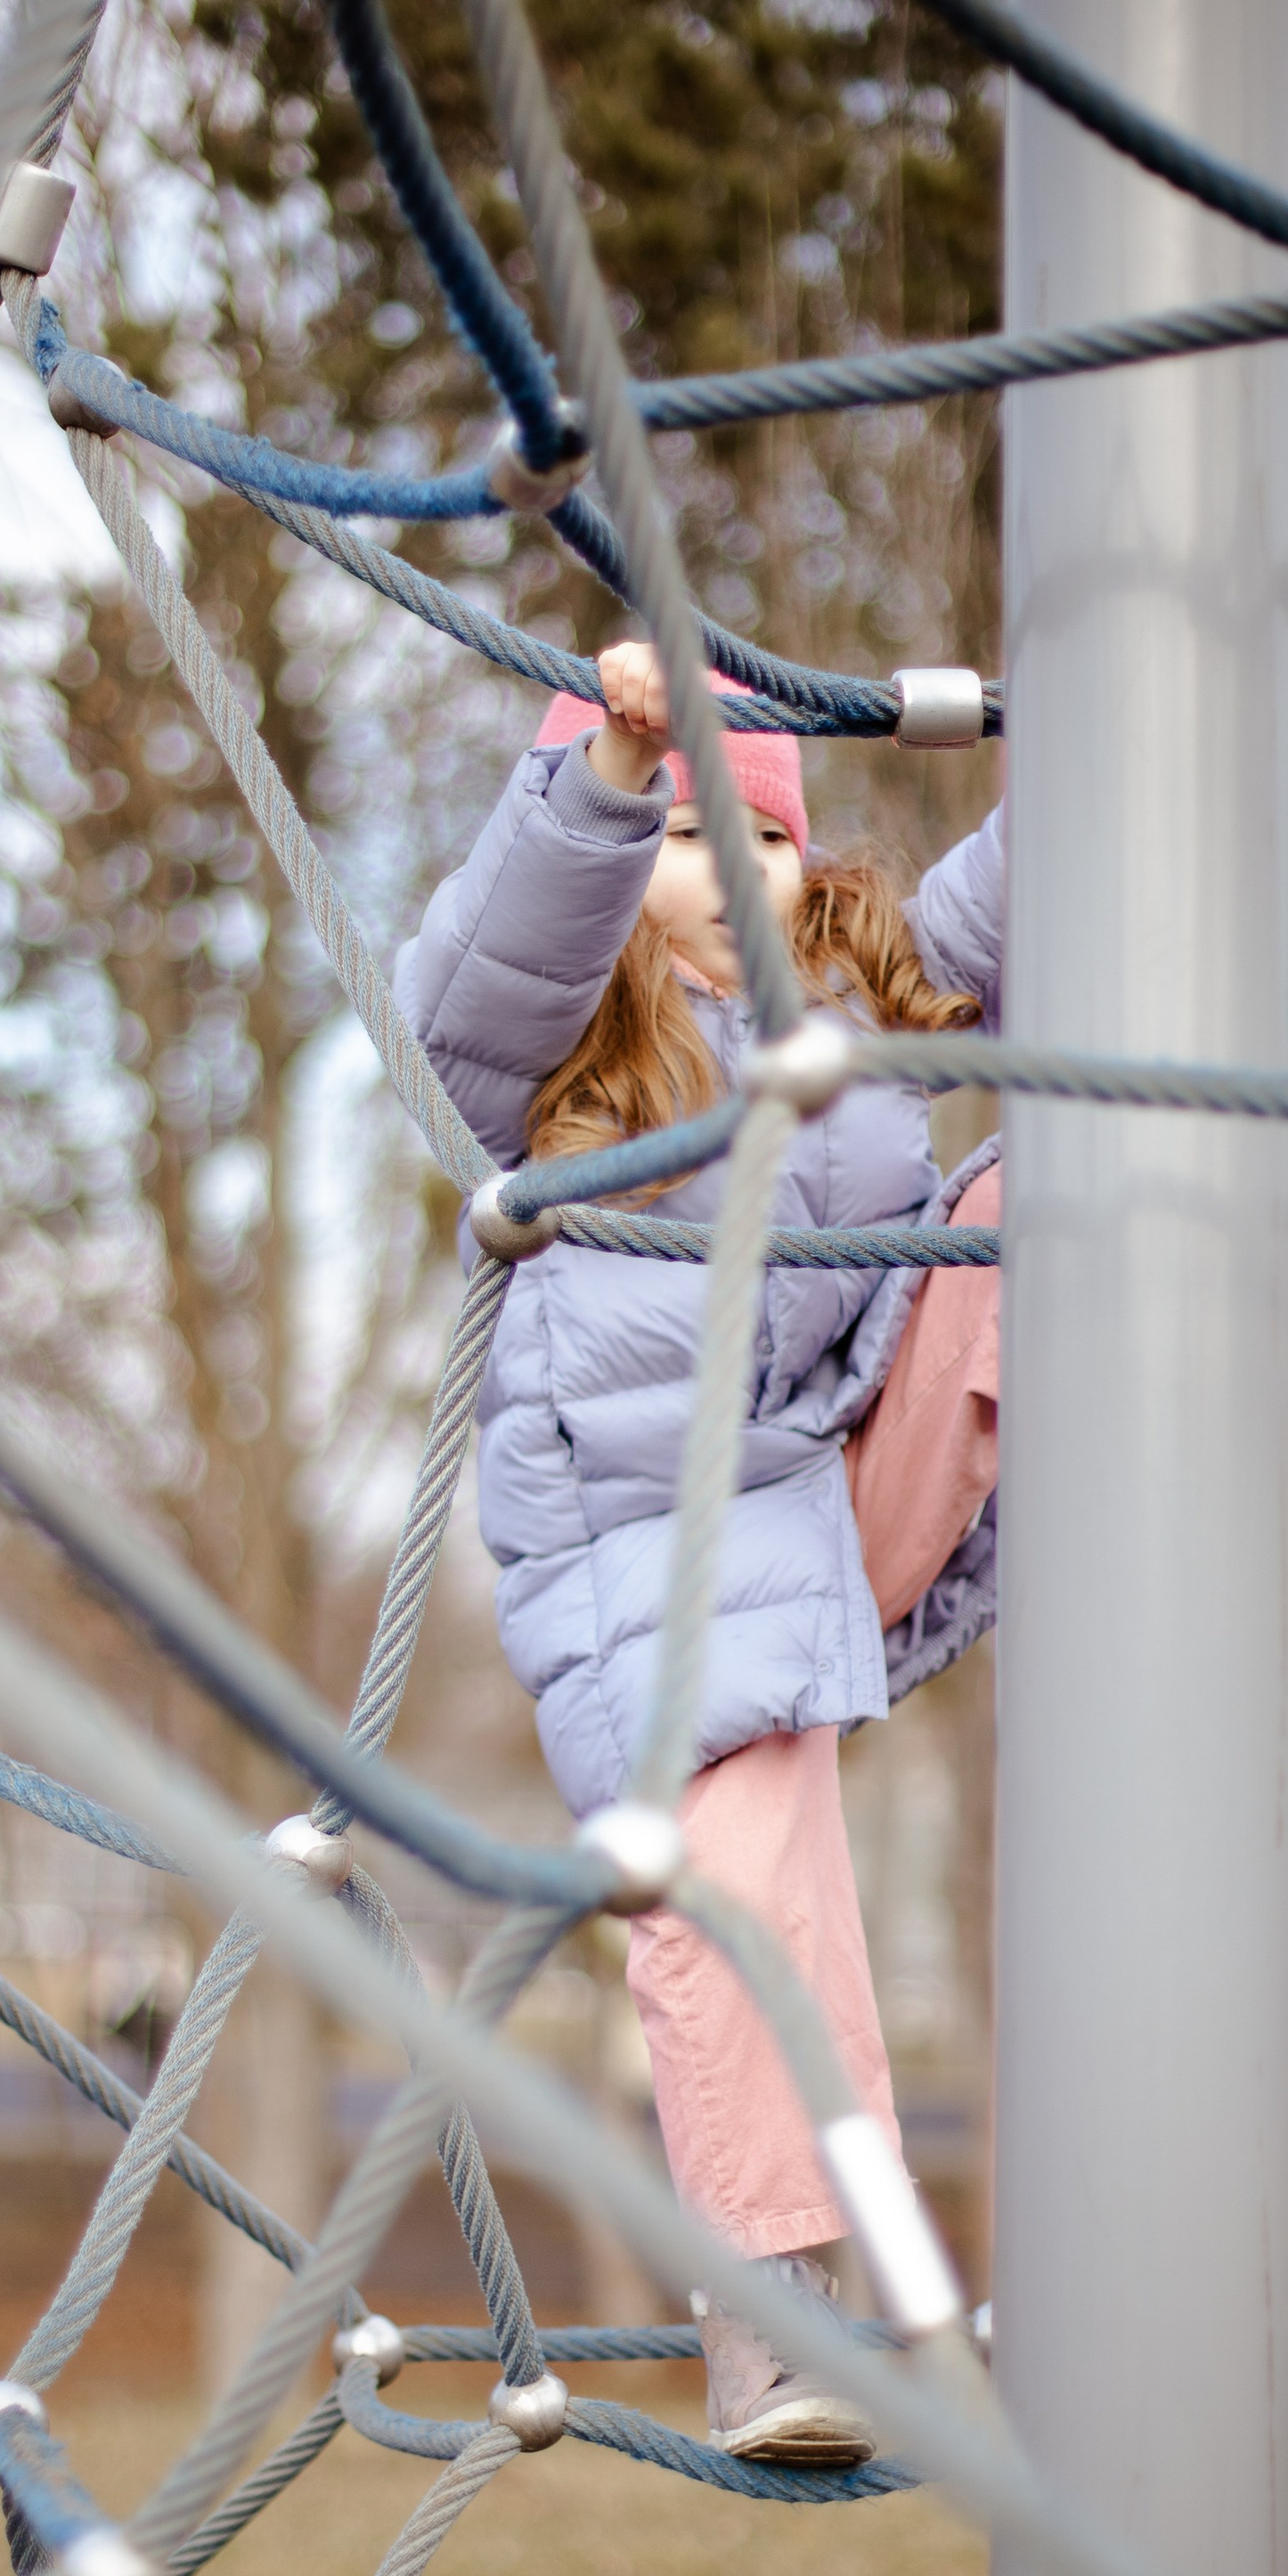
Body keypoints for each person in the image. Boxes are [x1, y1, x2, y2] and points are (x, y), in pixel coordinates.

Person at [395, 641, 1006, 2466]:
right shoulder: (555, 1064)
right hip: (650, 1561)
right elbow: (476, 987)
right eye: (679, 845)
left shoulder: (847, 993)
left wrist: (1115, 719)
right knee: (734, 1878)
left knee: (1034, 1182)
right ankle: (772, 2313)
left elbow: (1011, 891)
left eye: (754, 844)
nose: (722, 885)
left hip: (835, 1493)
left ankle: (1238, 1225)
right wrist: (604, 780)